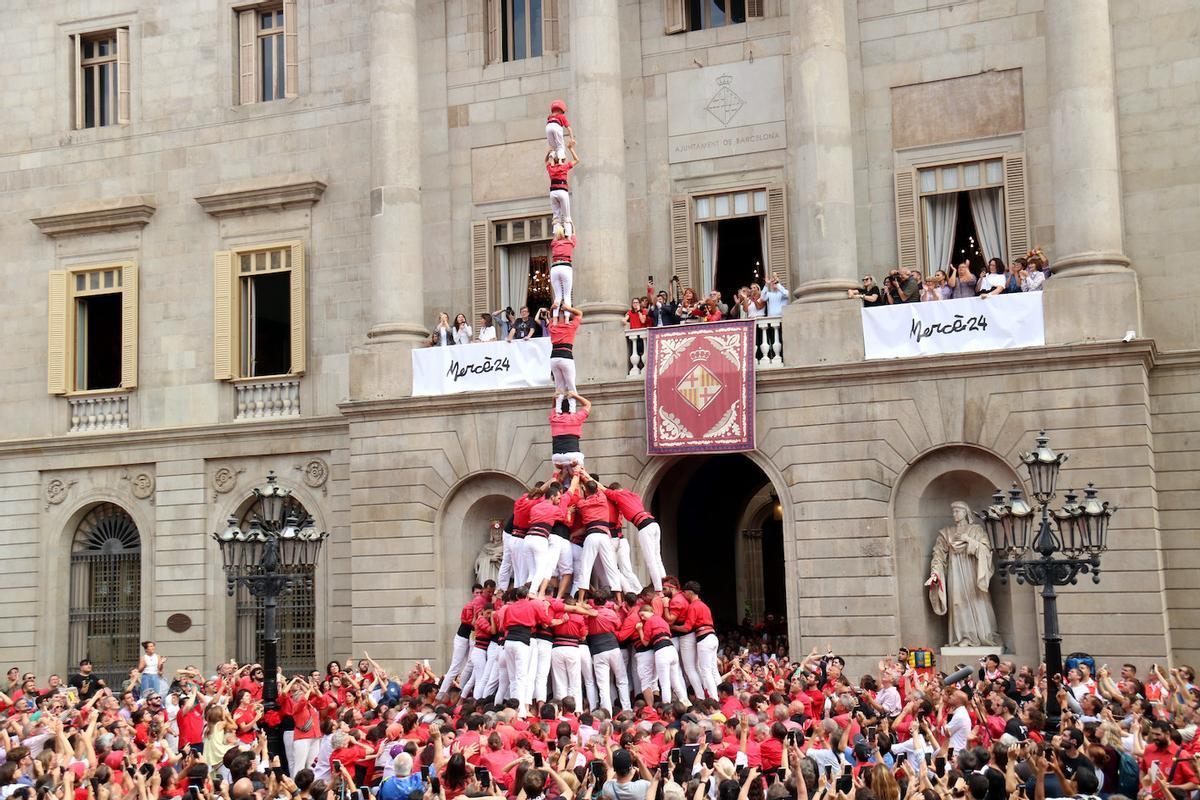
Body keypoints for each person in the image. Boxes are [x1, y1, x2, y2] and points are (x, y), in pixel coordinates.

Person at [550, 304, 583, 413]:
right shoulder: (570, 326)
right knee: (571, 386)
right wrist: (568, 308)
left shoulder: (552, 327)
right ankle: (572, 410)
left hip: (554, 358)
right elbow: (580, 314)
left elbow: (550, 317)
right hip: (566, 357)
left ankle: (558, 410)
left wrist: (553, 308)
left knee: (559, 386)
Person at [549, 391, 591, 469]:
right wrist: (575, 396)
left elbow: (554, 409)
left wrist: (554, 400)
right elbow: (587, 404)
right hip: (573, 455)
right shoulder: (576, 418)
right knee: (581, 472)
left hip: (557, 457)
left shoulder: (554, 419)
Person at [547, 144, 580, 239]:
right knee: (566, 215)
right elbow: (577, 160)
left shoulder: (550, 168)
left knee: (556, 215)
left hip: (553, 192)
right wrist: (571, 149)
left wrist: (550, 153)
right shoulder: (564, 167)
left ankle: (556, 234)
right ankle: (568, 235)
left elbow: (547, 161)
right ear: (562, 160)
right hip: (562, 191)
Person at [550, 232, 577, 321]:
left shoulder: (554, 243)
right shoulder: (569, 242)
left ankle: (554, 320)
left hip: (555, 267)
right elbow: (573, 232)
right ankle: (566, 319)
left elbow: (555, 236)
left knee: (558, 296)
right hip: (565, 266)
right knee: (567, 295)